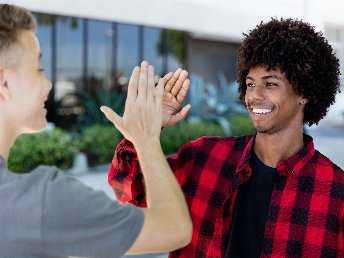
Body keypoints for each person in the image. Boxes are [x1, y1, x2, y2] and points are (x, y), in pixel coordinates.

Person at [108, 17, 344, 257]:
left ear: (303, 93)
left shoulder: (336, 191)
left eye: (270, 84)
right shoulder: (202, 158)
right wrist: (144, 134)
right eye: (250, 84)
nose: (255, 95)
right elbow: (130, 191)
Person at [0, 4, 192, 257]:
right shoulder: (38, 202)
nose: (48, 84)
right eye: (39, 69)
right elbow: (174, 229)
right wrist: (146, 139)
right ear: (4, 82)